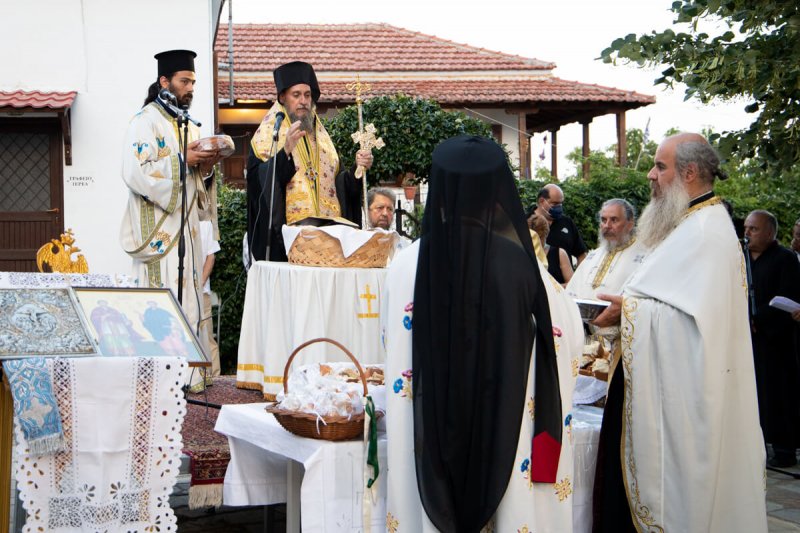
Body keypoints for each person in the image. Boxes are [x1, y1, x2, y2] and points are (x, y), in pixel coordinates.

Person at [382, 135, 581, 532]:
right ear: (496, 192)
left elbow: (391, 343)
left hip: (431, 426)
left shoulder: (404, 266)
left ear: (438, 191)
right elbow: (566, 337)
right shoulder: (525, 268)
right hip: (502, 426)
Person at [591, 133, 766, 532]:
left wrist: (628, 310)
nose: (651, 175)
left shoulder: (705, 232)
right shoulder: (688, 223)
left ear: (688, 173)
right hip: (651, 385)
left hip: (685, 403)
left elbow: (696, 329)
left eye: (660, 166)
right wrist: (630, 310)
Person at [120, 49, 222, 335]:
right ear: (164, 82)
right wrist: (181, 161)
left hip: (186, 232)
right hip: (160, 234)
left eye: (193, 83)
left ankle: (189, 372)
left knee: (188, 298)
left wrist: (206, 167)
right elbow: (134, 172)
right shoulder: (145, 121)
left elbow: (194, 181)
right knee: (162, 301)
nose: (190, 88)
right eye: (184, 81)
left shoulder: (188, 125)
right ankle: (162, 374)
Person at [246, 61, 374, 262]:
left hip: (327, 236)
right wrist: (285, 152)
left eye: (307, 95)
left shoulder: (322, 138)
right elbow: (258, 184)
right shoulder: (268, 136)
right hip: (289, 237)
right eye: (296, 95)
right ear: (283, 98)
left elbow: (336, 184)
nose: (303, 101)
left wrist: (357, 171)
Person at [567, 199, 647, 404]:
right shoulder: (595, 255)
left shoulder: (645, 255)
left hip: (622, 349)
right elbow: (570, 293)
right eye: (603, 220)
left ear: (630, 223)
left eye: (614, 220)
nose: (607, 226)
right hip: (587, 348)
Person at [744, 209, 800, 467]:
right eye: (746, 228)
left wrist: (760, 320)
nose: (747, 233)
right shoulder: (741, 258)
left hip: (775, 340)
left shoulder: (785, 259)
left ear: (770, 232)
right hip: (747, 338)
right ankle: (755, 446)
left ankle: (784, 449)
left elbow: (787, 295)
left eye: (753, 229)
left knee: (777, 394)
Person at [535, 183, 588, 265]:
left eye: (561, 203)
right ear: (542, 201)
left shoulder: (567, 222)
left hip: (566, 277)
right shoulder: (526, 222)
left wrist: (581, 275)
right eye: (555, 204)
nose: (559, 207)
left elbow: (581, 254)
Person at [199, 219, 221, 378]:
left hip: (201, 291)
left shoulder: (205, 224)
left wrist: (200, 283)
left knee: (207, 336)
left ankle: (215, 376)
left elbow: (210, 257)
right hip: (180, 289)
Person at [529, 211, 573, 284]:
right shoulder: (524, 253)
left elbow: (572, 283)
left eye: (539, 237)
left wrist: (554, 289)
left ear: (546, 233)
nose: (536, 241)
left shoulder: (560, 253)